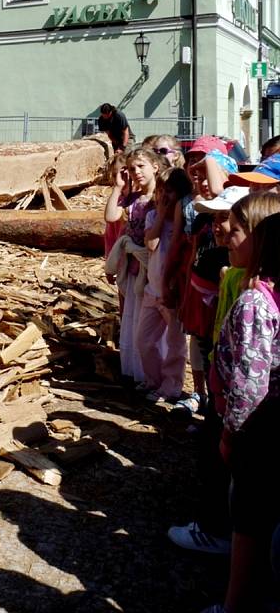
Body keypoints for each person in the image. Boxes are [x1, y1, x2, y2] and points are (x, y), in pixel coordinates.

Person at [202, 209, 280, 613]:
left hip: (259, 433)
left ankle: (236, 606)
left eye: (239, 229)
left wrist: (232, 434)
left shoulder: (256, 302)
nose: (228, 234)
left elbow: (250, 383)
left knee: (249, 521)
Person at [104, 147, 162, 382]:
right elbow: (110, 216)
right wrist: (118, 186)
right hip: (135, 268)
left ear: (155, 167)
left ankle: (153, 374)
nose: (136, 172)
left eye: (141, 166)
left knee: (149, 326)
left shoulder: (161, 198)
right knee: (133, 320)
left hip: (153, 268)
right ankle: (136, 371)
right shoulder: (133, 199)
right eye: (132, 168)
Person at [135, 167, 192, 402]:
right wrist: (160, 214)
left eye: (170, 191)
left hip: (175, 294)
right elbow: (151, 244)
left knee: (175, 344)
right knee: (144, 340)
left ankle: (171, 386)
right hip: (153, 289)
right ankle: (154, 379)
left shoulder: (186, 220)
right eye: (161, 191)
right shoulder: (152, 217)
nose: (165, 195)